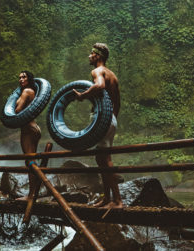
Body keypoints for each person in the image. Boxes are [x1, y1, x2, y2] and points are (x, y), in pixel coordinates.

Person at [73, 43, 123, 208]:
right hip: (111, 119)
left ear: (98, 56)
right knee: (100, 157)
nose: (89, 56)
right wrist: (111, 118)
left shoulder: (97, 71)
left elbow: (100, 85)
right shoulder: (112, 75)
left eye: (91, 54)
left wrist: (83, 95)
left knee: (104, 158)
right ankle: (107, 198)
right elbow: (117, 102)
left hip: (104, 119)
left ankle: (117, 201)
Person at [1, 70, 41, 201]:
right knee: (31, 160)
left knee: (30, 161)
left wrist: (14, 105)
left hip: (28, 129)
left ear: (29, 79)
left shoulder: (26, 92)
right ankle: (34, 192)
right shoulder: (31, 92)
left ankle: (31, 195)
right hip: (33, 127)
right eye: (19, 77)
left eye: (24, 77)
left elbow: (17, 110)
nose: (21, 79)